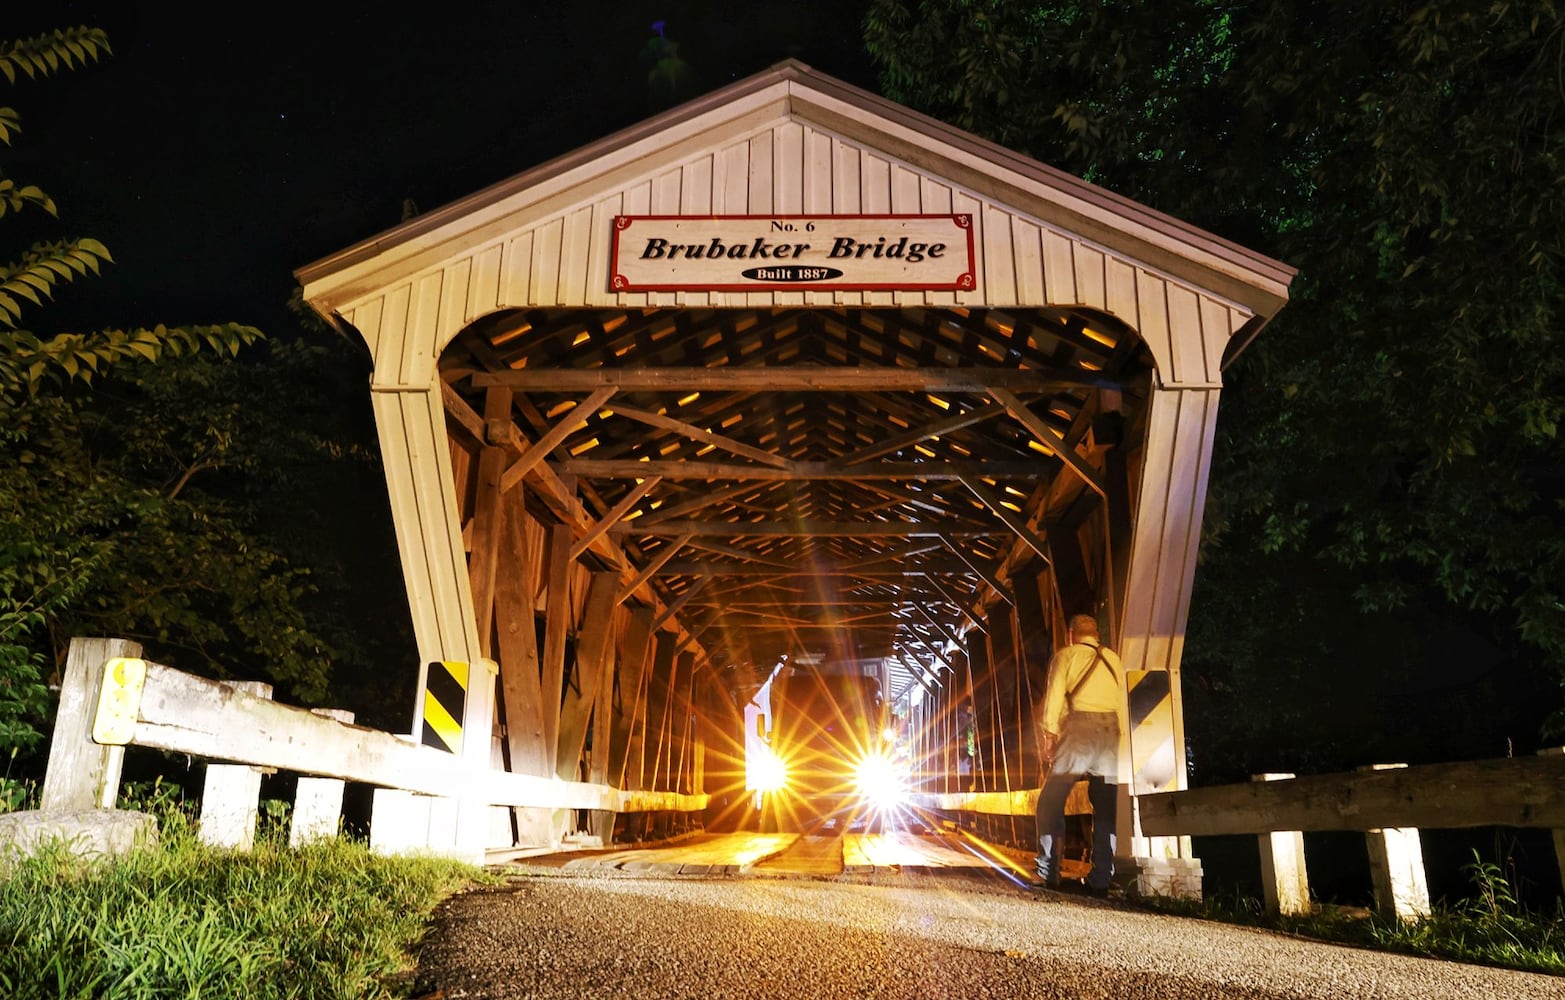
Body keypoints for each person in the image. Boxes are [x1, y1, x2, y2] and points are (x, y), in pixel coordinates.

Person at [1034, 612, 1125, 897]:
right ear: (1097, 635)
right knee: (1106, 806)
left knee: (1051, 799)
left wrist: (1049, 735)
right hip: (1111, 732)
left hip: (1079, 731)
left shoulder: (1066, 656)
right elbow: (1122, 700)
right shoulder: (1114, 659)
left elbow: (1054, 697)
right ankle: (1101, 879)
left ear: (1071, 635)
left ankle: (1050, 871)